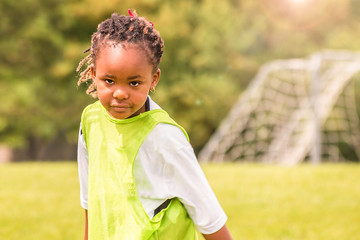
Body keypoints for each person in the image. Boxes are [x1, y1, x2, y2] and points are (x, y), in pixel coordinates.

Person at [76, 9, 232, 240]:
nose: (120, 93)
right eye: (109, 81)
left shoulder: (165, 137)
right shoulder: (91, 120)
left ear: (153, 79)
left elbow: (208, 214)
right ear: (93, 74)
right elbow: (90, 198)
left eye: (134, 82)